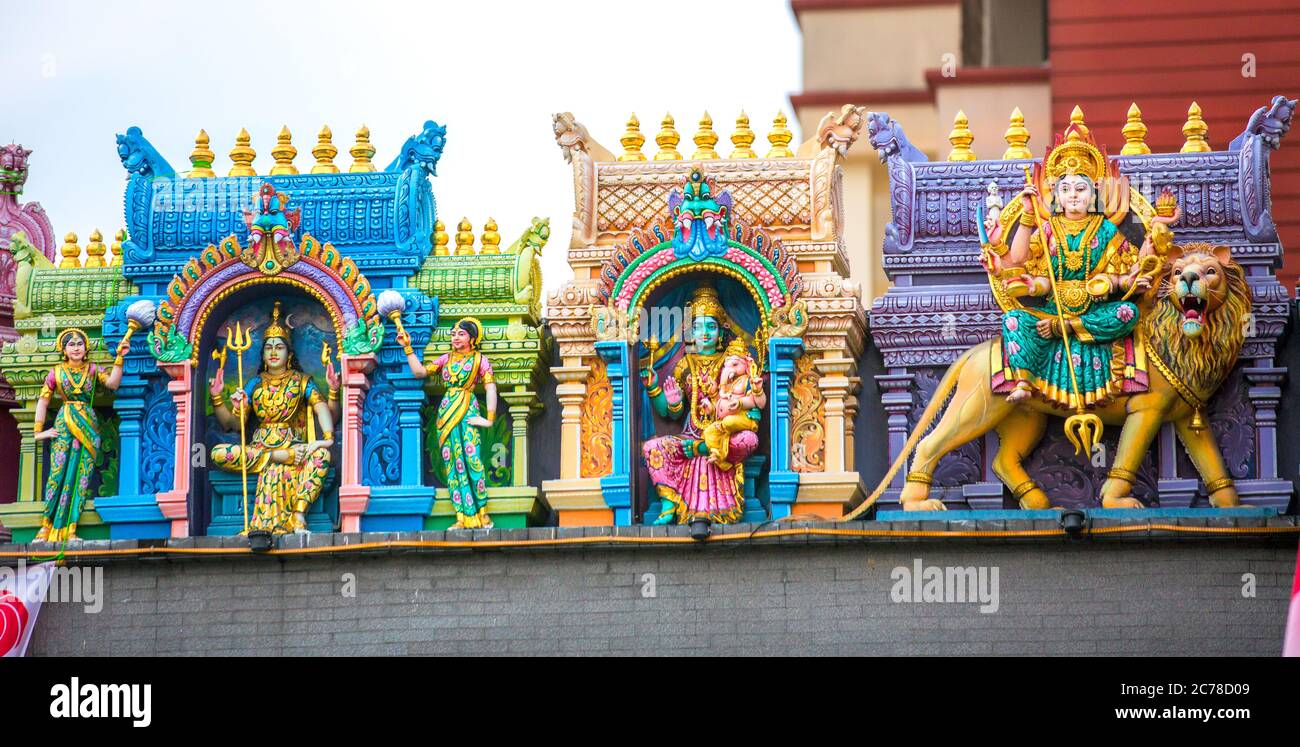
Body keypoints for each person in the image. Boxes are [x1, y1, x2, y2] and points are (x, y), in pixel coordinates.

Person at [641, 285, 766, 525]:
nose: (705, 333)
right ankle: (669, 504)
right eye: (698, 327)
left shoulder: (732, 361)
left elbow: (751, 399)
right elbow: (670, 412)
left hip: (725, 435)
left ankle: (704, 450)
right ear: (690, 332)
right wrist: (657, 390)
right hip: (690, 435)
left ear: (721, 332)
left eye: (711, 326)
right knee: (652, 448)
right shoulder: (684, 364)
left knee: (749, 440)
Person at [208, 301, 337, 534]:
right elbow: (233, 424)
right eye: (269, 348)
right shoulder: (254, 384)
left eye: (279, 347)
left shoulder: (301, 381)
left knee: (321, 456)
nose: (274, 352)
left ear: (288, 353)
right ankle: (278, 457)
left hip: (294, 447)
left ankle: (298, 516)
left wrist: (326, 438)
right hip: (260, 450)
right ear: (263, 354)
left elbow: (320, 407)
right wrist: (219, 398)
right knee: (218, 453)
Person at [399, 317, 498, 530]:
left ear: (472, 338)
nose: (455, 337)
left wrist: (488, 419)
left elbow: (490, 387)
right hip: (446, 414)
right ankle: (462, 516)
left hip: (468, 409)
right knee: (453, 464)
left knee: (472, 460)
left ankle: (482, 512)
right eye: (453, 334)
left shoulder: (480, 360)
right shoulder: (446, 359)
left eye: (461, 334)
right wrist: (407, 347)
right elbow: (420, 372)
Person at [32, 328, 128, 542]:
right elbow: (43, 401)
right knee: (57, 475)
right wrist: (39, 432)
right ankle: (46, 526)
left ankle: (71, 529)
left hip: (87, 426)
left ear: (86, 349)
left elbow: (112, 383)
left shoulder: (93, 370)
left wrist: (120, 357)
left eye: (79, 344)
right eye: (71, 344)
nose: (76, 348)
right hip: (64, 424)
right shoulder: (56, 372)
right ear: (64, 350)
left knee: (81, 477)